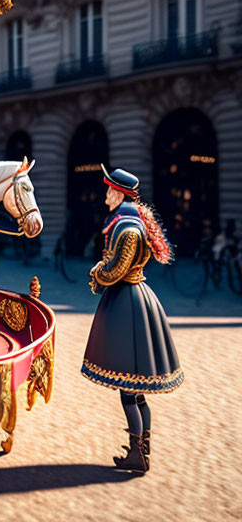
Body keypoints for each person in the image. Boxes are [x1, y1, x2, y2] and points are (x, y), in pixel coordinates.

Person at [81, 166, 183, 474]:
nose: (106, 196)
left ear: (120, 193)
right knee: (135, 389)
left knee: (129, 387)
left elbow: (115, 271)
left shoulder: (126, 229)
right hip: (135, 298)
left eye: (109, 191)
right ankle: (141, 450)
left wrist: (96, 272)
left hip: (127, 303)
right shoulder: (130, 223)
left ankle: (138, 453)